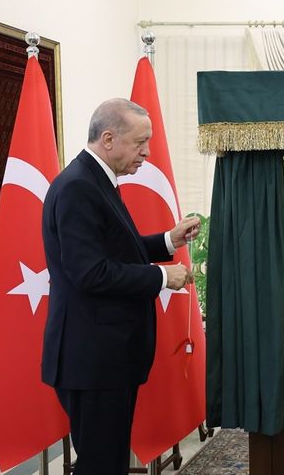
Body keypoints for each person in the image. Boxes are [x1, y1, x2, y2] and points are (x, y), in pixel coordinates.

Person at [41, 98, 200, 474]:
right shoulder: (78, 187)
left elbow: (116, 249)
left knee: (108, 461)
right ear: (109, 139)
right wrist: (163, 277)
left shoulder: (95, 179)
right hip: (93, 359)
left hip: (105, 356)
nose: (147, 152)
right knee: (101, 464)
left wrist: (169, 240)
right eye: (140, 142)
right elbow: (90, 273)